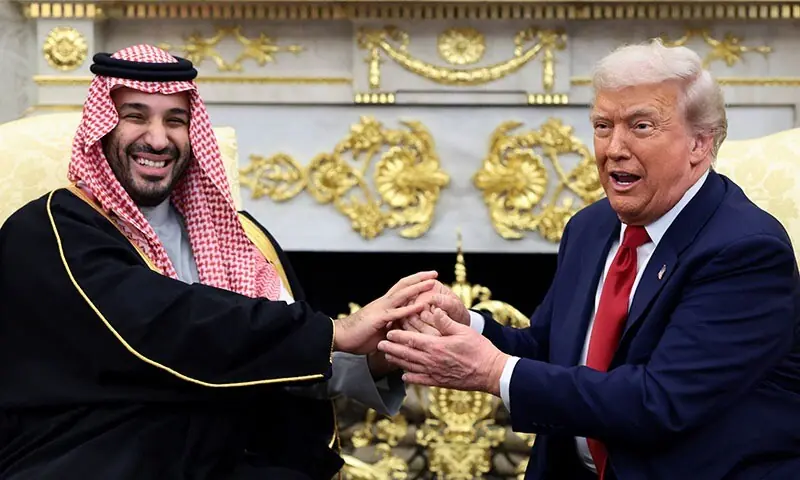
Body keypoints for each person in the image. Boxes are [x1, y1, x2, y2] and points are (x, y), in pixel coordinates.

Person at [0, 45, 437, 480]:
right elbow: (168, 325)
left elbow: (268, 353)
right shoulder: (49, 231)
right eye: (135, 116)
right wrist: (335, 332)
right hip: (97, 456)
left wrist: (380, 354)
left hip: (223, 458)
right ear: (101, 126)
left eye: (175, 120)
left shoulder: (237, 235)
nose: (158, 139)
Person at [380, 39, 800, 480]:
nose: (614, 148)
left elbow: (660, 402)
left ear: (699, 143)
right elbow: (551, 352)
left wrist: (493, 370)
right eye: (602, 126)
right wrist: (468, 326)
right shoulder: (591, 226)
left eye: (640, 126)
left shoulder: (745, 251)